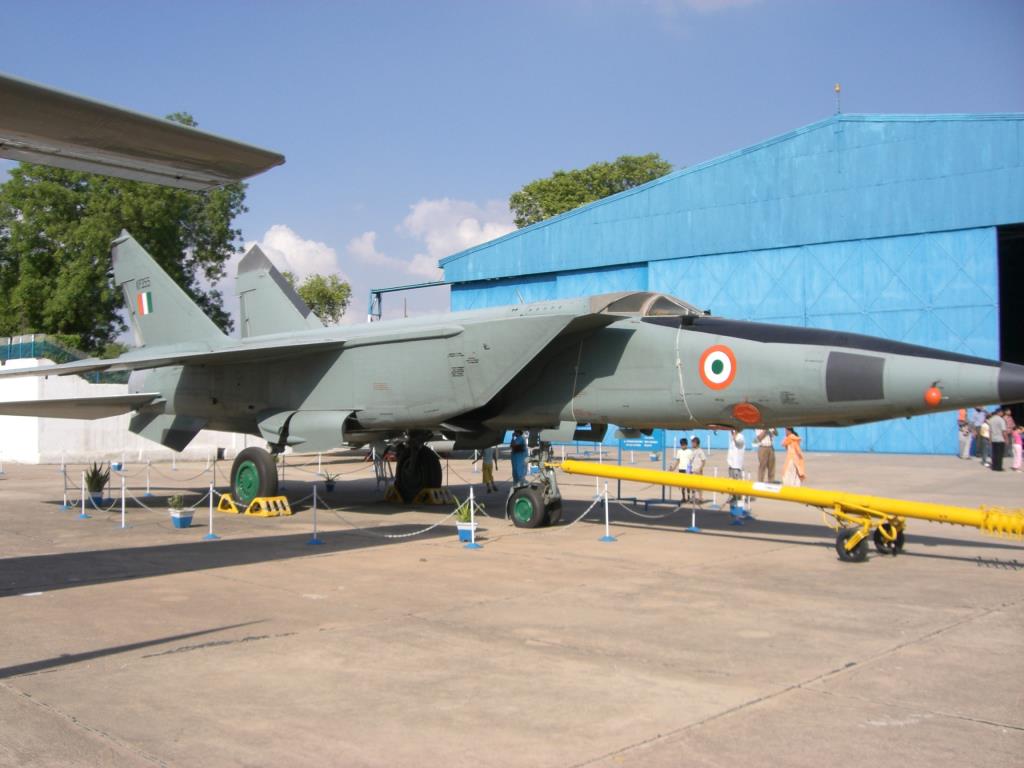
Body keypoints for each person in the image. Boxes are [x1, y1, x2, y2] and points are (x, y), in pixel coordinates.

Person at [669, 437, 694, 501]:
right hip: (681, 469)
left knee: (688, 484)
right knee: (682, 485)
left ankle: (688, 497)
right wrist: (673, 468)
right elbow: (677, 461)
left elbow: (691, 461)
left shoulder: (690, 451)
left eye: (684, 444)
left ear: (686, 444)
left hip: (687, 469)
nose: (683, 446)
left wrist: (691, 470)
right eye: (682, 444)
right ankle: (683, 497)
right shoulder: (679, 451)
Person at [689, 436, 707, 503]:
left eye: (693, 443)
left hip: (698, 471)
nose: (692, 444)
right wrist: (689, 469)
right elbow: (690, 460)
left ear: (696, 443)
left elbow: (704, 461)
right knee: (693, 485)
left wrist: (700, 469)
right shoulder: (693, 451)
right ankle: (693, 497)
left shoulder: (700, 451)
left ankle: (700, 498)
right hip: (693, 471)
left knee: (699, 486)